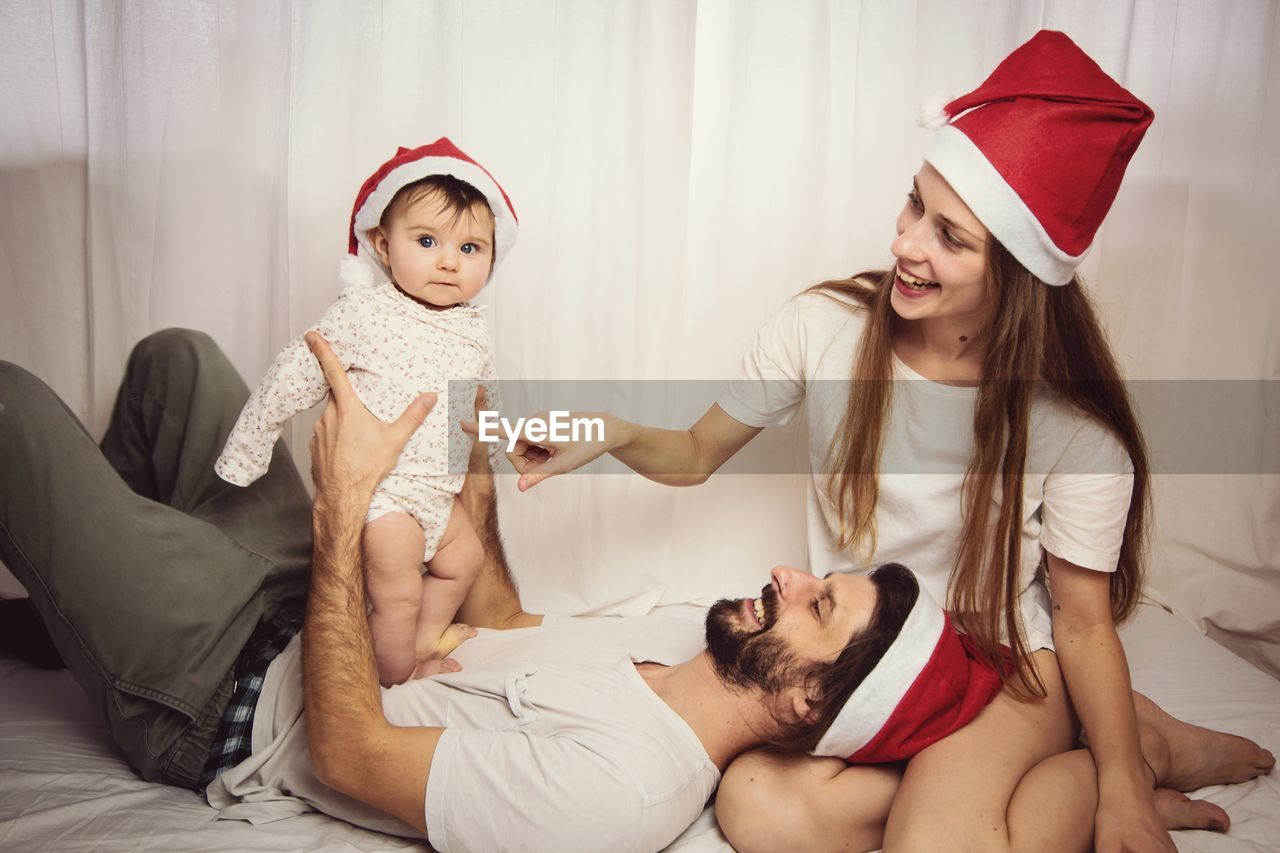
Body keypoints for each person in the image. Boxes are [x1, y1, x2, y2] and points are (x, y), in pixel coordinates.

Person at [473, 30, 1276, 851]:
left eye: (951, 236)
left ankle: (1134, 753)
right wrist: (603, 432)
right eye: (914, 203)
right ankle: (1122, 747)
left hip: (1005, 670)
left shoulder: (1073, 433)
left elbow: (1080, 625)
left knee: (934, 842)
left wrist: (1121, 796)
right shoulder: (822, 331)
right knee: (756, 807)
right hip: (875, 666)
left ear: (1021, 272)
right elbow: (694, 449)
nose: (906, 241)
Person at [0, 324, 1011, 849]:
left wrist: (343, 511)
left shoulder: (624, 793)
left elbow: (349, 754)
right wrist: (469, 437)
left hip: (226, 691)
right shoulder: (677, 638)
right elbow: (497, 619)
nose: (788, 576)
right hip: (313, 598)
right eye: (814, 579)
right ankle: (75, 609)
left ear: (803, 699)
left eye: (815, 607)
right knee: (178, 362)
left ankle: (114, 632)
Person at [215, 138, 517, 685]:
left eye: (471, 248)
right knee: (397, 595)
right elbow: (294, 374)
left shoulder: (473, 327)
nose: (450, 261)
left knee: (464, 561)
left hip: (437, 493)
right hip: (386, 495)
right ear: (382, 243)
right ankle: (398, 672)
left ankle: (423, 640)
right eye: (427, 241)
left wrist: (506, 442)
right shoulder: (366, 313)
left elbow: (482, 397)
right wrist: (248, 449)